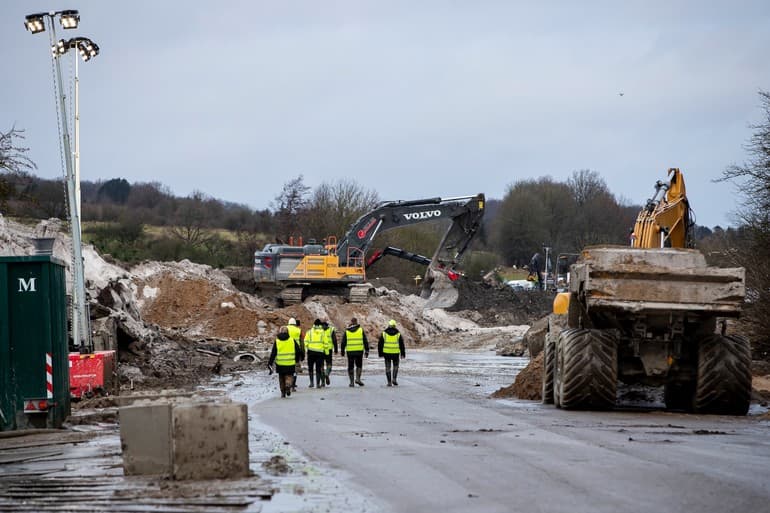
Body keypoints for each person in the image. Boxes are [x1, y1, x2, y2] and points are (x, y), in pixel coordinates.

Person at [267, 326, 304, 398]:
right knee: (289, 376)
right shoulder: (292, 340)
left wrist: (270, 363)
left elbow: (273, 353)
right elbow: (298, 351)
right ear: (288, 332)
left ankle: (283, 393)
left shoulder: (277, 341)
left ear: (280, 332)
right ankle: (288, 385)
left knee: (281, 378)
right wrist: (297, 359)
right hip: (290, 363)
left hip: (280, 364)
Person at [341, 317, 369, 387]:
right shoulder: (360, 330)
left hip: (350, 351)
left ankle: (351, 382)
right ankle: (358, 379)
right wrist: (367, 350)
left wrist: (342, 351)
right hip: (359, 351)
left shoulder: (347, 331)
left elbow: (343, 342)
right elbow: (365, 341)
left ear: (351, 322)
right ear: (356, 322)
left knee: (350, 366)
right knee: (359, 365)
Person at [378, 319, 405, 386]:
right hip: (395, 353)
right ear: (395, 326)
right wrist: (403, 354)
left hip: (386, 353)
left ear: (389, 325)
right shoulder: (398, 334)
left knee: (388, 367)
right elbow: (401, 344)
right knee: (396, 366)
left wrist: (380, 353)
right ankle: (394, 379)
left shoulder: (384, 333)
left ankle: (389, 382)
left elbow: (380, 344)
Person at [304, 319, 326, 388]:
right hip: (320, 353)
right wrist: (325, 350)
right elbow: (326, 343)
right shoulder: (323, 332)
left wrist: (307, 348)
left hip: (311, 352)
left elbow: (305, 342)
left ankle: (311, 383)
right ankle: (318, 384)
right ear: (320, 325)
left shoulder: (309, 332)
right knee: (318, 368)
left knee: (310, 368)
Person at [287, 318, 303, 391]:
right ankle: (293, 386)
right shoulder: (298, 330)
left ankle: (287, 383)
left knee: (288, 368)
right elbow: (302, 342)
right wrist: (302, 353)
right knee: (295, 369)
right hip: (296, 352)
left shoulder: (285, 328)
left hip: (286, 351)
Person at [322, 321, 338, 385]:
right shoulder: (331, 330)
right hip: (329, 350)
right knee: (329, 364)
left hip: (321, 350)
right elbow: (334, 340)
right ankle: (327, 373)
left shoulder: (319, 331)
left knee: (321, 366)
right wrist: (336, 349)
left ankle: (322, 382)